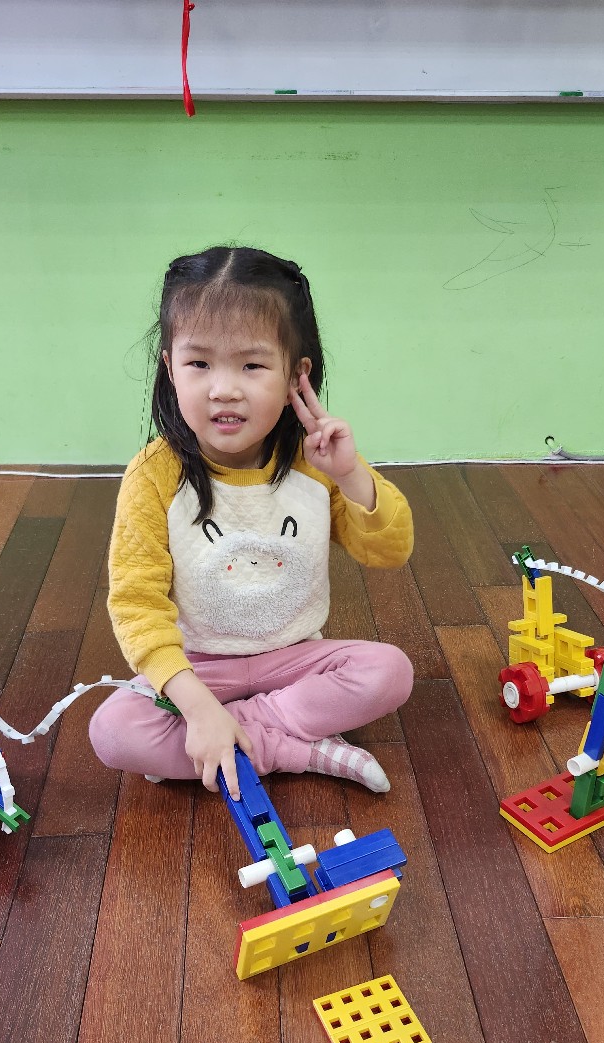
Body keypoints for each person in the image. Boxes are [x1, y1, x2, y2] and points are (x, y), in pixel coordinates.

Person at [89, 245, 414, 800]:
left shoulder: (316, 462)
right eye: (199, 364)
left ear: (295, 375)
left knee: (390, 671)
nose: (224, 389)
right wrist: (198, 708)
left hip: (295, 660)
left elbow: (390, 551)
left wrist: (351, 474)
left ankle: (233, 742)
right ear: (169, 368)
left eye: (252, 365)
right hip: (201, 668)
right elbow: (136, 605)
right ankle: (298, 748)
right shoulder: (154, 474)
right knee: (114, 731)